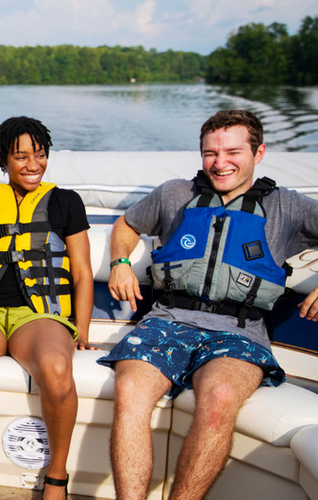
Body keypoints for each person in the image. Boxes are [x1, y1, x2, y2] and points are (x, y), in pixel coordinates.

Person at [99, 109, 318, 500]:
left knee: (219, 401)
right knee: (130, 388)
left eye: (232, 152)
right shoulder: (174, 194)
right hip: (166, 319)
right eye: (210, 153)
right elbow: (127, 225)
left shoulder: (288, 207)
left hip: (240, 331)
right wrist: (120, 263)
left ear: (259, 152)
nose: (220, 164)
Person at [0, 117, 94, 500]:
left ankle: (56, 477)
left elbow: (83, 274)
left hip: (39, 316)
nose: (33, 165)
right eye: (21, 156)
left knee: (58, 370)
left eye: (40, 155)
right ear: (3, 160)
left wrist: (83, 333)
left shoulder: (66, 202)